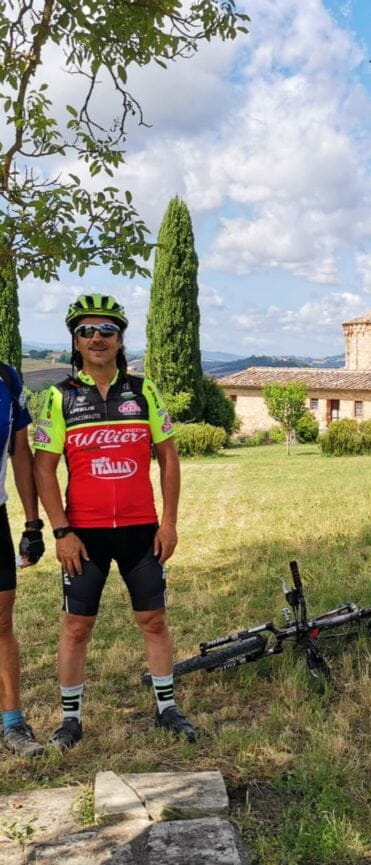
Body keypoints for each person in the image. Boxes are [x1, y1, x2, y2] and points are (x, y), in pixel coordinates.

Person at [33, 294, 197, 749]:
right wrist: (62, 532)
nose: (97, 337)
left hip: (142, 530)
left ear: (120, 338)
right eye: (86, 330)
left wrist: (170, 522)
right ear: (76, 341)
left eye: (106, 329)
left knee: (154, 620)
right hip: (83, 536)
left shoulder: (144, 391)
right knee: (76, 626)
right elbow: (43, 468)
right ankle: (70, 720)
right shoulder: (58, 397)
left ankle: (167, 708)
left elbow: (168, 458)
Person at [0, 362, 45, 757]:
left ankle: (13, 724)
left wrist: (32, 524)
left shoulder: (7, 379)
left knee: (1, 622)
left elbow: (20, 454)